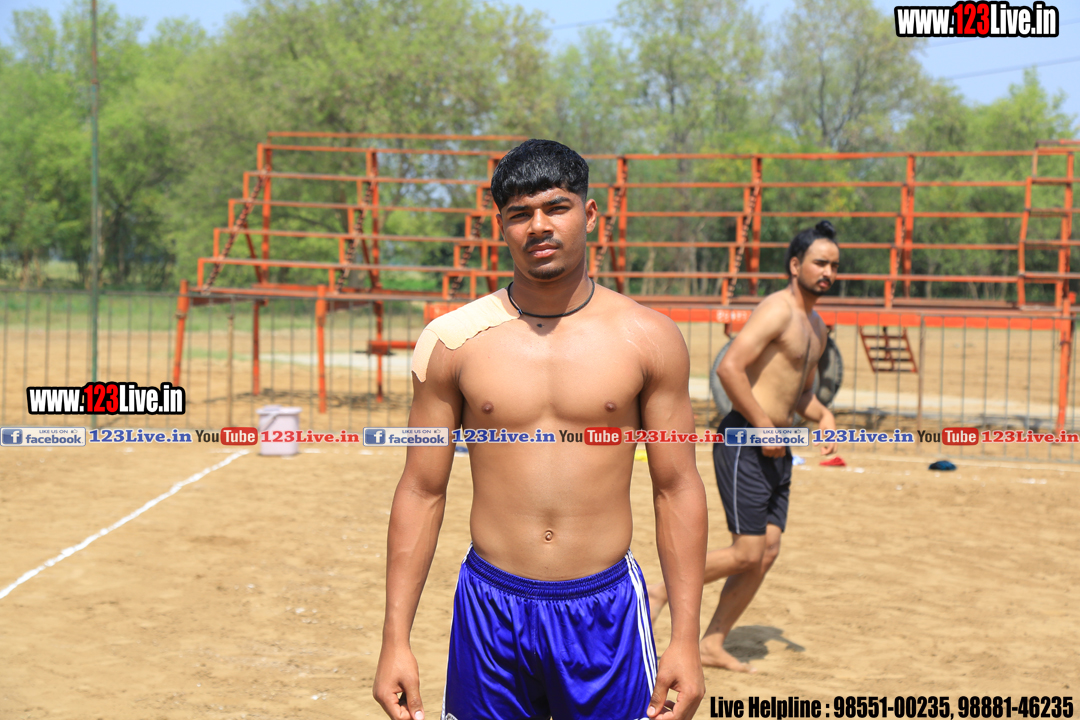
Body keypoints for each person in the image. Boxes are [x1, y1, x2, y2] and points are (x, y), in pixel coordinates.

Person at [372, 139, 707, 720]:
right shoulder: (453, 341)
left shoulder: (649, 338)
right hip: (490, 609)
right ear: (500, 227)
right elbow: (421, 489)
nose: (539, 226)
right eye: (520, 214)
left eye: (556, 207)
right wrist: (394, 639)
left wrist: (685, 639)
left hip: (604, 611)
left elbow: (676, 487)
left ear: (590, 214)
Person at [647, 221, 840, 673]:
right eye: (820, 263)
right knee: (748, 551)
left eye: (834, 265)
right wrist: (763, 426)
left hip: (779, 446)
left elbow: (801, 395)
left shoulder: (817, 327)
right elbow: (729, 368)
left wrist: (825, 416)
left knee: (767, 551)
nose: (828, 272)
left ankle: (713, 643)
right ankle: (658, 592)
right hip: (745, 440)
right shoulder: (777, 310)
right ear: (795, 265)